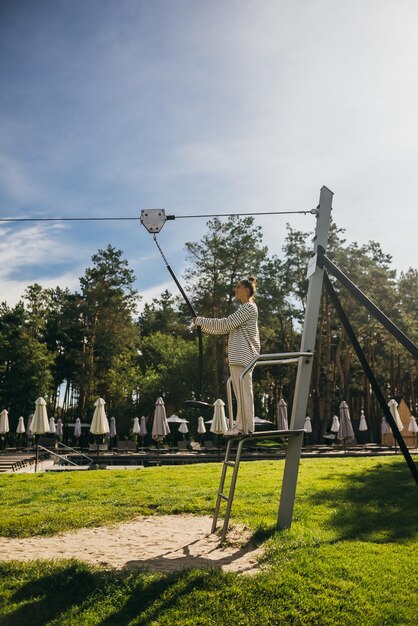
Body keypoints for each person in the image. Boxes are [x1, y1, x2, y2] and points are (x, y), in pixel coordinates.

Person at [193, 277, 260, 435]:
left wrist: (201, 321)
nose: (235, 290)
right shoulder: (244, 308)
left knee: (244, 393)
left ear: (247, 290)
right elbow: (223, 328)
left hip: (244, 356)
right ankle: (241, 425)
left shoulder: (248, 308)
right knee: (240, 393)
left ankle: (245, 427)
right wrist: (201, 325)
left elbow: (226, 324)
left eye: (238, 287)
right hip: (239, 357)